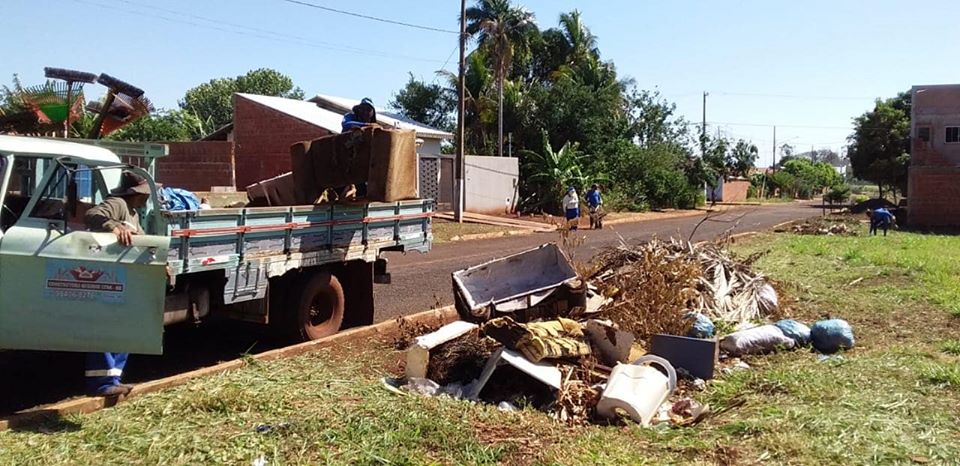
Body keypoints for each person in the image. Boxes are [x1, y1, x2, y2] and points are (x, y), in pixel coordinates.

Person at [81, 170, 151, 396]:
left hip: (124, 276)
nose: (147, 198)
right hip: (107, 275)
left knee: (125, 326)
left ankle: (113, 378)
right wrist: (113, 227)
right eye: (145, 194)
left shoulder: (133, 213)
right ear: (135, 193)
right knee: (105, 325)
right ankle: (100, 383)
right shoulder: (118, 203)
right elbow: (93, 214)